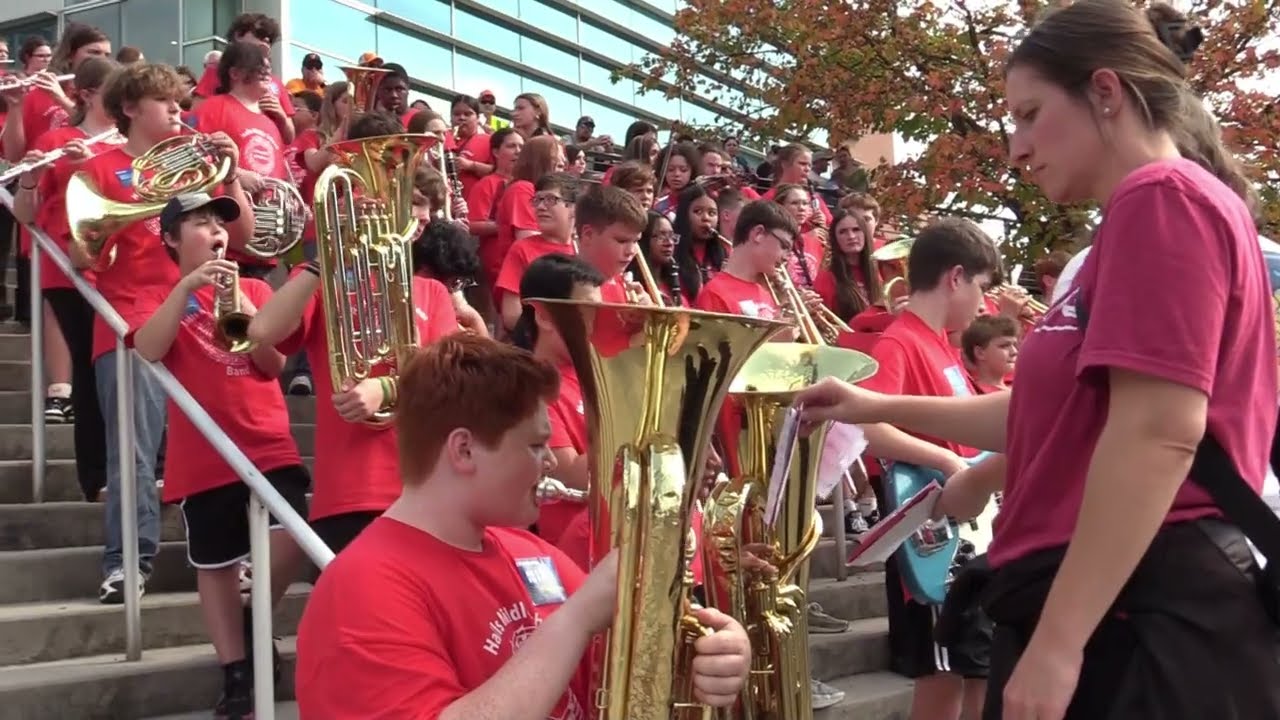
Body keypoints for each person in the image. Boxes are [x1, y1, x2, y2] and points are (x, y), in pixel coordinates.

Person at [796, 3, 1280, 718]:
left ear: (1106, 92)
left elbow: (1159, 432)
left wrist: (1059, 641)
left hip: (1141, 614)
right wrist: (876, 406)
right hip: (1121, 605)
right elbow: (1050, 414)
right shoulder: (1128, 224)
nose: (1016, 147)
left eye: (1029, 114)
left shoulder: (1161, 197)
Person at [294, 334, 752, 718]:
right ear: (464, 451)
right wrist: (576, 619)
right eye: (535, 445)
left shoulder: (533, 554)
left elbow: (627, 677)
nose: (551, 460)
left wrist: (709, 655)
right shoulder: (363, 586)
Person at [76, 62, 253, 603]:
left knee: (219, 442)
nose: (180, 113)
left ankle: (234, 557)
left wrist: (233, 172)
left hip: (202, 319)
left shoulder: (198, 165)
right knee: (132, 451)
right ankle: (127, 562)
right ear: (129, 109)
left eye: (180, 104)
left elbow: (242, 236)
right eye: (166, 104)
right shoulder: (100, 172)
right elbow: (82, 252)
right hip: (131, 320)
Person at [247, 111, 460, 555]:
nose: (419, 214)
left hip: (425, 483)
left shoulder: (433, 291)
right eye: (412, 200)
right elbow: (263, 330)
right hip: (350, 488)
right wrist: (327, 253)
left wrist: (384, 388)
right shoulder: (327, 280)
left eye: (425, 206)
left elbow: (448, 379)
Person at [132, 193, 305, 719]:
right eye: (200, 223)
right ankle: (235, 674)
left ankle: (253, 626)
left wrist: (246, 308)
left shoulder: (253, 287)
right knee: (216, 562)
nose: (215, 231)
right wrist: (187, 289)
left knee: (294, 535)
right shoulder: (158, 294)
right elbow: (147, 348)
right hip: (203, 453)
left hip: (268, 442)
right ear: (169, 238)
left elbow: (274, 364)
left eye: (219, 223)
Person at [495, 172, 579, 331]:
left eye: (550, 200)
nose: (540, 207)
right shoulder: (523, 249)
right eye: (537, 200)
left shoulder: (585, 250)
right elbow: (511, 315)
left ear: (574, 208)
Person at [960, 314, 1019, 393]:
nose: (1014, 352)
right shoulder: (976, 393)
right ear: (980, 353)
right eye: (1004, 346)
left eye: (1014, 345)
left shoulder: (1013, 387)